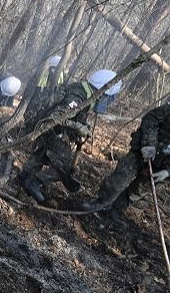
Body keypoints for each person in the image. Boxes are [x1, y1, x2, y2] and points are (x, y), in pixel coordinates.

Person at [19, 69, 122, 203]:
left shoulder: (87, 94)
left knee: (43, 154)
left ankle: (25, 175)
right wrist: (78, 127)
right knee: (64, 168)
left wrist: (81, 128)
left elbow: (75, 117)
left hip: (56, 132)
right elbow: (57, 116)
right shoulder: (78, 96)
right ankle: (35, 182)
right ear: (103, 91)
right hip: (53, 130)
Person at [82, 103, 170, 227]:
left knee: (138, 191)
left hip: (161, 166)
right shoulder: (167, 109)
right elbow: (151, 118)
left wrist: (167, 171)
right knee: (120, 178)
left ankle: (116, 210)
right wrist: (149, 143)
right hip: (142, 150)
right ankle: (100, 202)